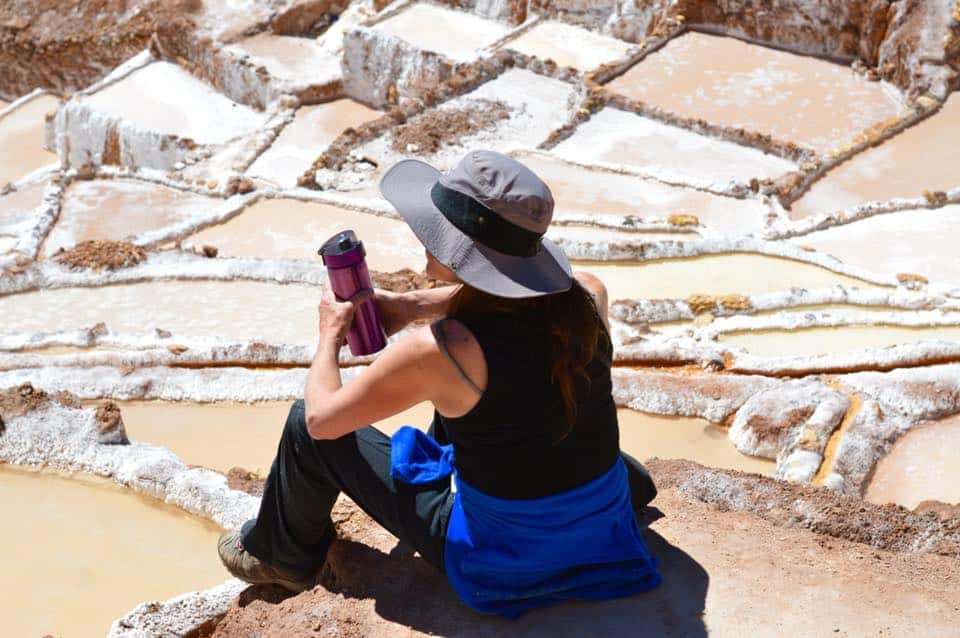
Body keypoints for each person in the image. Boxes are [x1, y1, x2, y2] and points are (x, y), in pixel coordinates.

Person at [218, 150, 661, 617]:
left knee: (301, 427)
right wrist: (410, 305)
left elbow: (322, 420)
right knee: (483, 407)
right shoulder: (586, 295)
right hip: (602, 524)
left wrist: (328, 335)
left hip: (504, 561)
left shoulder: (441, 350)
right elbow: (513, 300)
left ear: (458, 249)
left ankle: (279, 555)